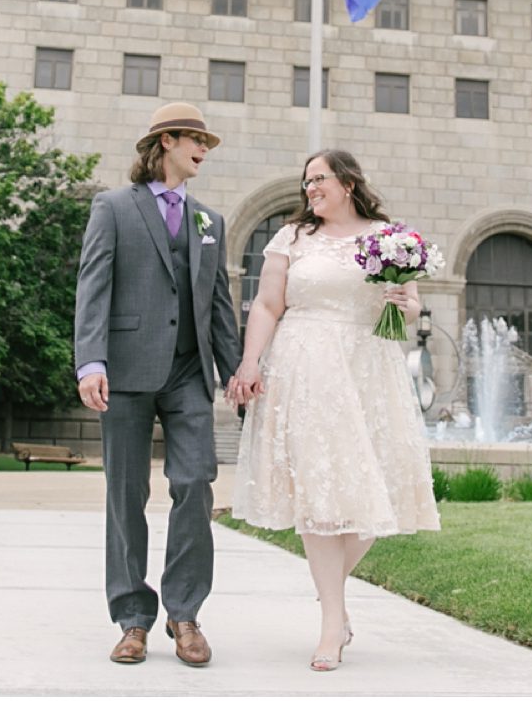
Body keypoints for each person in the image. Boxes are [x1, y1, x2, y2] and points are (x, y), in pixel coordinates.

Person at [226, 149, 440, 671]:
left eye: (318, 178)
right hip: (303, 367)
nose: (310, 188)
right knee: (319, 496)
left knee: (377, 490)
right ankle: (331, 626)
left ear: (348, 182)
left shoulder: (388, 237)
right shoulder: (291, 238)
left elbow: (412, 307)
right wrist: (250, 362)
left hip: (369, 369)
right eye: (306, 182)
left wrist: (405, 306)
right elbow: (268, 305)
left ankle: (332, 599)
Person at [73, 103, 242, 668]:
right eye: (197, 140)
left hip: (189, 372)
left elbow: (219, 305)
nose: (204, 150)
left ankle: (184, 613)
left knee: (195, 483)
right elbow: (93, 286)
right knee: (126, 493)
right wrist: (90, 362)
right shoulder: (114, 207)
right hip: (124, 370)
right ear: (166, 141)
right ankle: (132, 619)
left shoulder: (209, 221)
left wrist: (235, 372)